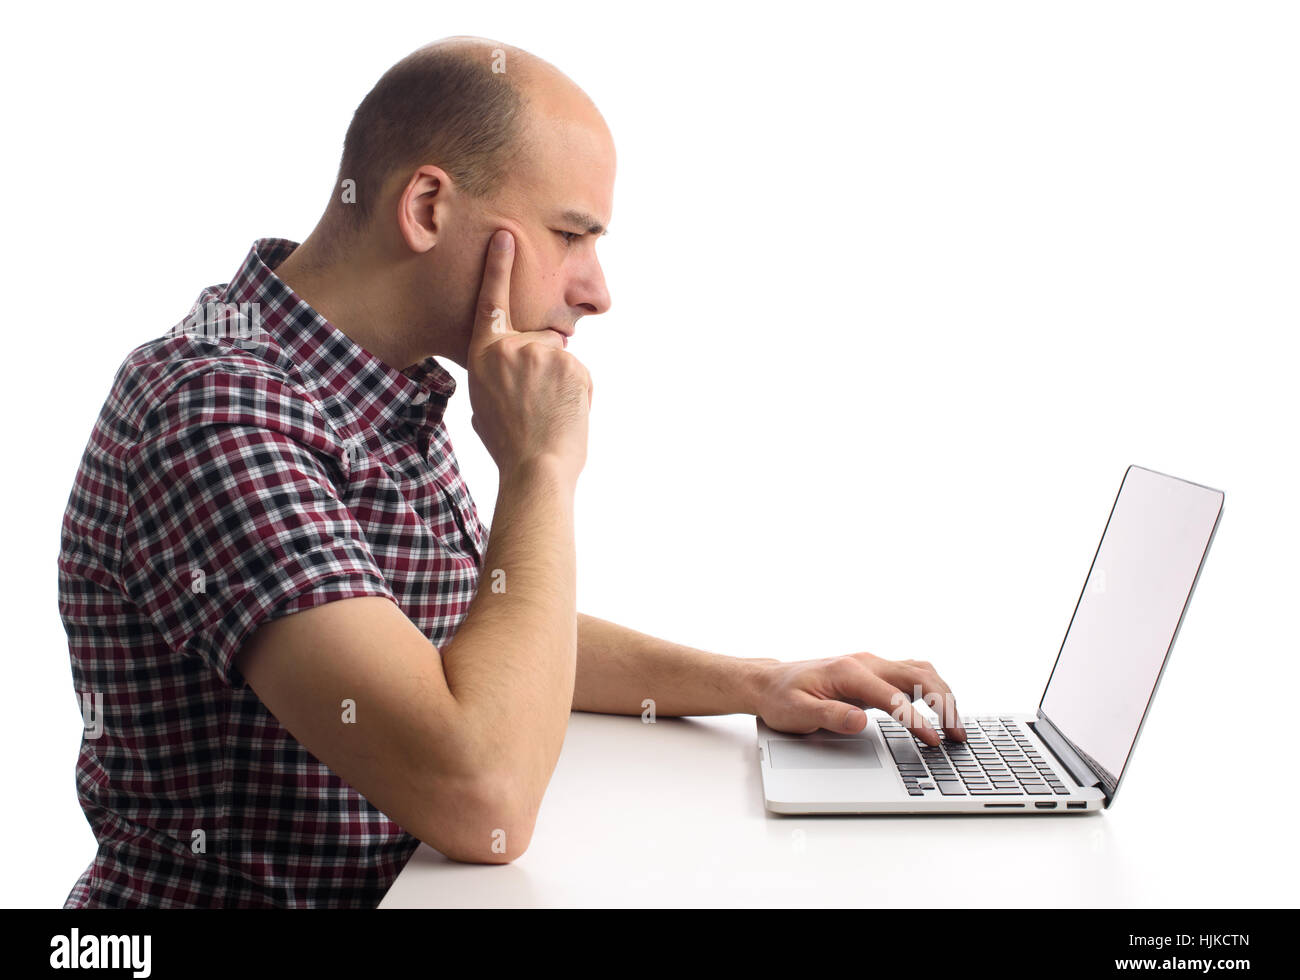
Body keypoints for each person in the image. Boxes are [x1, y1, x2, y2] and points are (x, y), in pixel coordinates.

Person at [59, 35, 965, 908]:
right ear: (425, 209)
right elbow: (481, 796)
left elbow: (469, 631)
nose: (598, 290)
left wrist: (756, 683)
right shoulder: (218, 413)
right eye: (571, 234)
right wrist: (539, 469)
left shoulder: (374, 383)